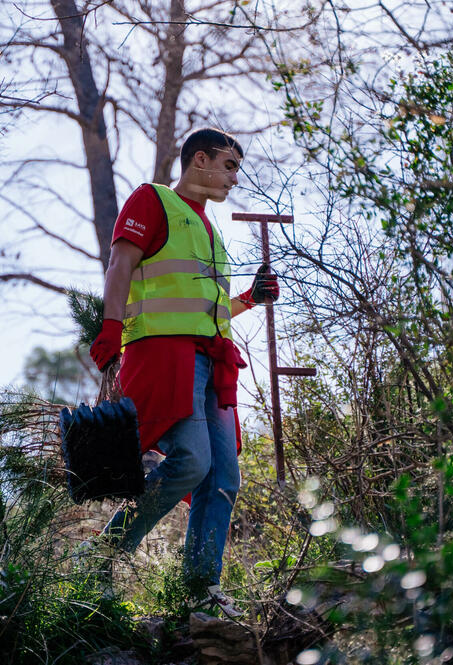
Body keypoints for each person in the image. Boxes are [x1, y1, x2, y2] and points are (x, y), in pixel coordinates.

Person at [87, 128, 279, 618]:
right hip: (164, 357)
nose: (235, 177)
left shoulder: (209, 229)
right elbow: (120, 262)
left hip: (211, 364)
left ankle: (200, 590)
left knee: (222, 477)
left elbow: (203, 311)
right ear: (200, 159)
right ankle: (100, 560)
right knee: (191, 461)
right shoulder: (153, 200)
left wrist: (248, 301)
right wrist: (110, 328)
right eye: (229, 165)